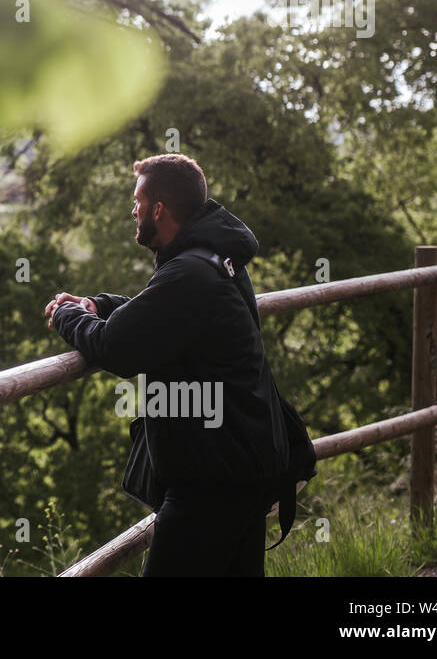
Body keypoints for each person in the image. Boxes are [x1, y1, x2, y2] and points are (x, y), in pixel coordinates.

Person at [44, 153, 288, 576]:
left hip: (213, 482)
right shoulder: (212, 259)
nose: (132, 209)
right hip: (245, 463)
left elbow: (117, 347)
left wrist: (67, 314)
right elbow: (159, 314)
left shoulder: (190, 272)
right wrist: (99, 304)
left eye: (138, 200)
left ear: (159, 208)